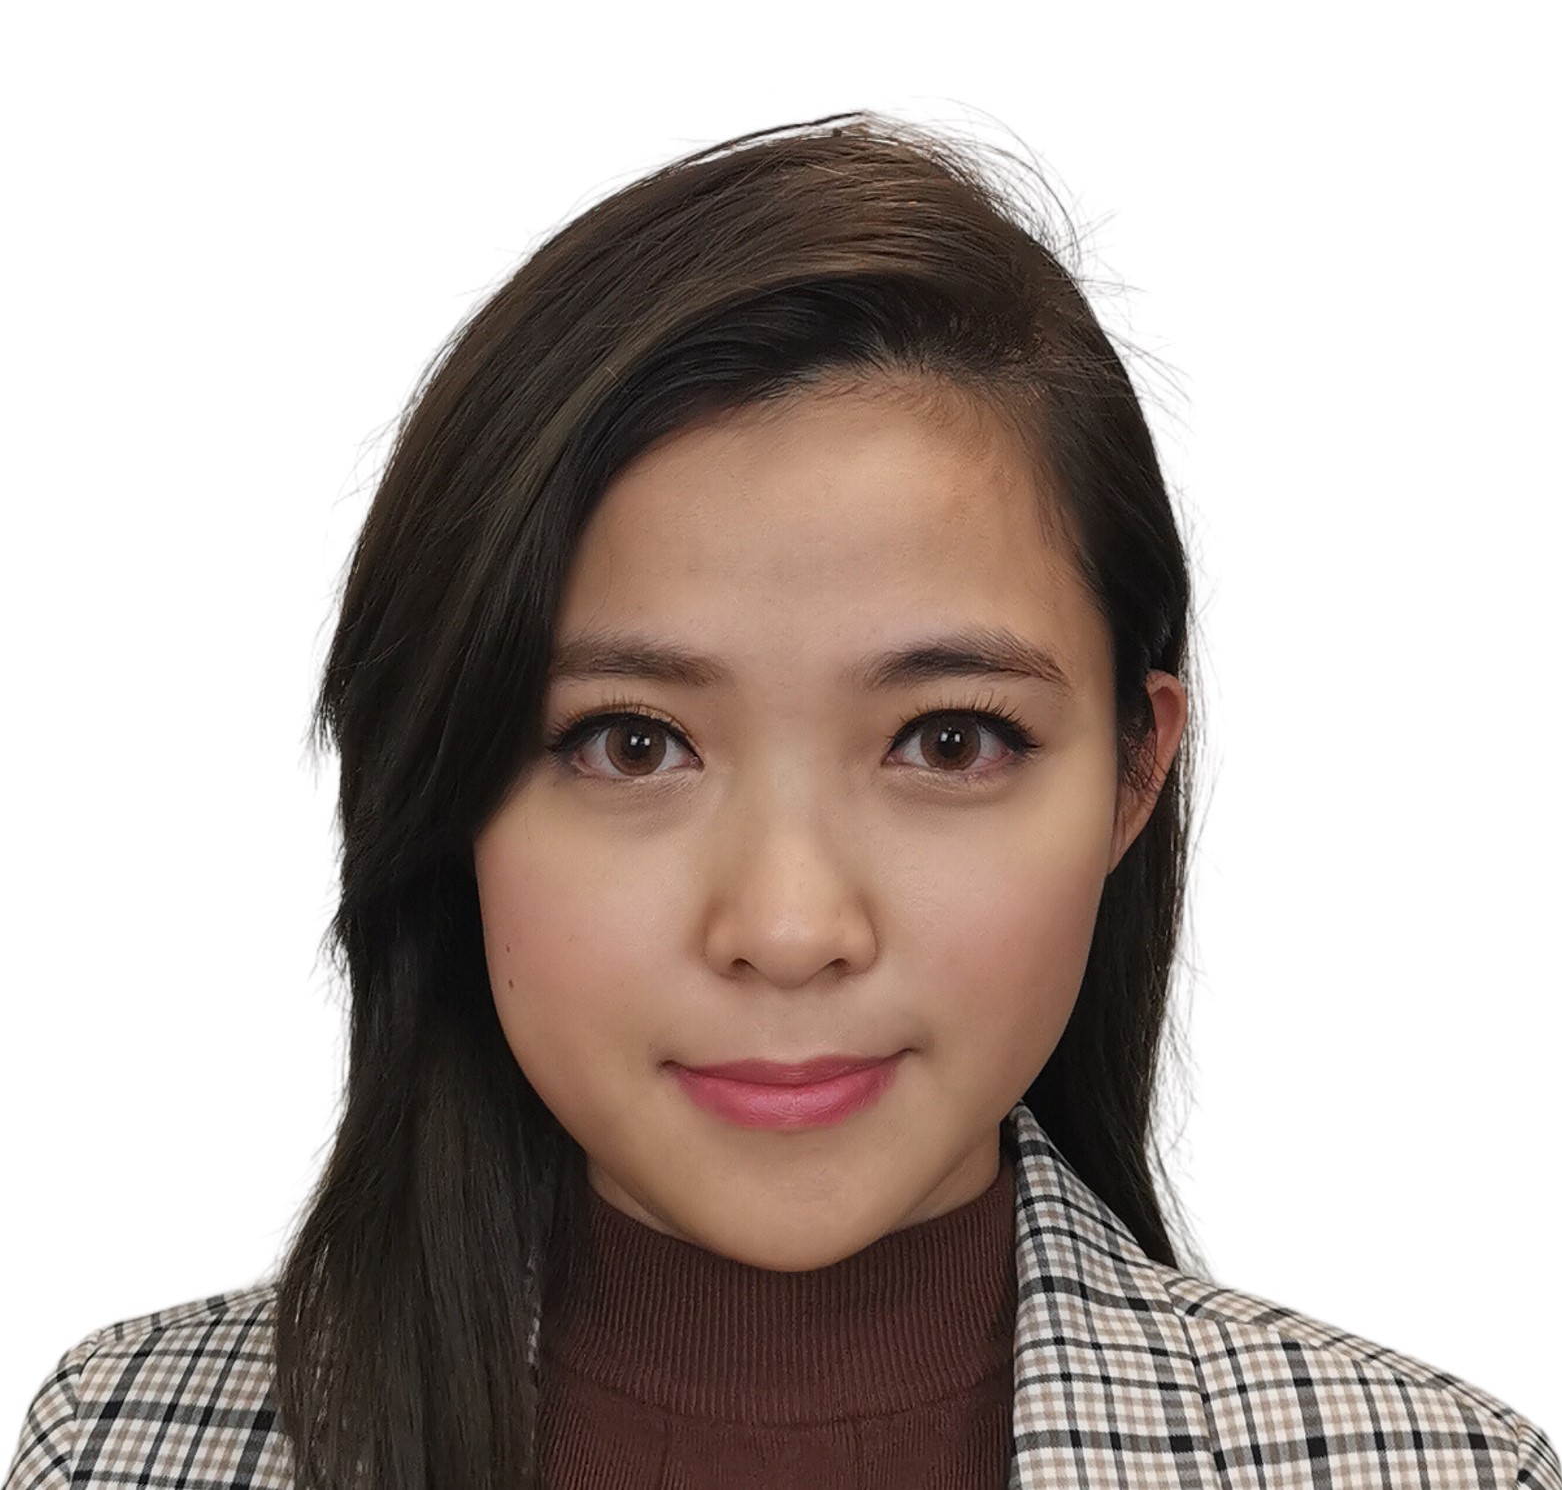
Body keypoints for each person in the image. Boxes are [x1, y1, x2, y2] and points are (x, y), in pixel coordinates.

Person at [5, 113, 1556, 1490]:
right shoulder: (121, 1451)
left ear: (1131, 773)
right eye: (628, 743)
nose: (791, 927)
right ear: (442, 786)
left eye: (948, 740)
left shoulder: (1435, 1472)